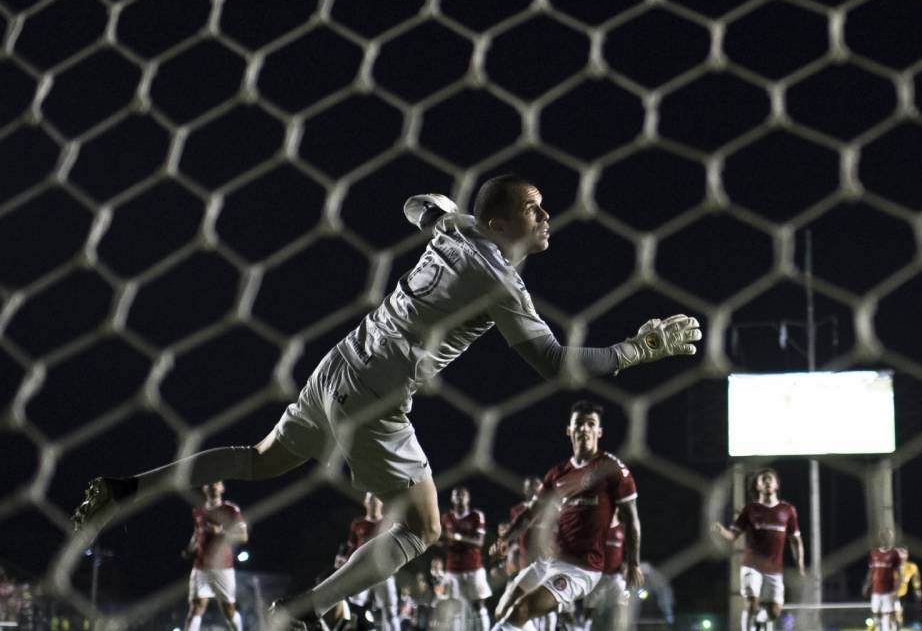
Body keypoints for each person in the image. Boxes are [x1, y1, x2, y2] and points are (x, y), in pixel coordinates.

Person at [69, 175, 703, 627]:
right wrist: (637, 351)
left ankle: (126, 487)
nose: (545, 216)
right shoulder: (501, 282)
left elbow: (415, 204)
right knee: (424, 528)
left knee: (262, 460)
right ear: (502, 222)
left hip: (342, 360)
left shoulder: (456, 234)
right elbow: (555, 365)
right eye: (534, 208)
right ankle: (299, 612)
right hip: (377, 394)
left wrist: (445, 213)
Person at [490, 401, 642, 631]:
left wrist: (633, 563)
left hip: (582, 569)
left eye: (591, 424)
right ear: (569, 430)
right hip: (548, 561)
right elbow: (530, 513)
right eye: (579, 424)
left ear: (599, 432)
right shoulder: (557, 474)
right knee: (503, 610)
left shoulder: (612, 469)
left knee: (522, 610)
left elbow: (631, 518)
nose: (584, 429)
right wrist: (506, 538)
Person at [711, 469, 805, 631]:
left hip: (774, 568)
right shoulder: (750, 509)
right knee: (752, 602)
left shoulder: (787, 510)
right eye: (763, 480)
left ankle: (760, 619)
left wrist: (800, 565)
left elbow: (796, 540)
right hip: (751, 565)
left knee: (775, 612)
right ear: (757, 486)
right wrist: (721, 530)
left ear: (776, 485)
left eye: (770, 479)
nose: (767, 482)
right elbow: (733, 535)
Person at [184, 482, 247, 631]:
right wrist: (190, 548)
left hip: (222, 566)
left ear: (222, 488)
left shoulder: (230, 510)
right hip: (200, 566)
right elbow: (197, 532)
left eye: (217, 483)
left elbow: (243, 536)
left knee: (228, 610)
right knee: (196, 608)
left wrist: (221, 532)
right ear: (204, 488)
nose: (213, 485)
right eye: (209, 483)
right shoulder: (198, 510)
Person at [337, 493, 402, 631]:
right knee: (355, 609)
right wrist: (344, 561)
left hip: (384, 571)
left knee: (390, 612)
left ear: (381, 502)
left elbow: (396, 548)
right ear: (365, 502)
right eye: (370, 499)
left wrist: (398, 563)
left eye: (375, 498)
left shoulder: (389, 523)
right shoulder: (358, 523)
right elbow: (352, 547)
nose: (373, 502)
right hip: (362, 571)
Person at [442, 486, 492, 631]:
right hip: (453, 569)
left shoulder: (476, 516)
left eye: (463, 494)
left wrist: (457, 538)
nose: (460, 497)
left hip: (473, 567)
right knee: (455, 609)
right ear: (452, 498)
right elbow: (443, 541)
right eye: (456, 495)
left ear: (468, 498)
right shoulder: (446, 518)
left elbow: (479, 542)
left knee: (479, 607)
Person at [581, 513, 629, 631]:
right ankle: (585, 626)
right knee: (590, 604)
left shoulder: (623, 528)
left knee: (621, 603)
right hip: (598, 574)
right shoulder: (599, 528)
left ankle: (620, 627)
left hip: (616, 575)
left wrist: (627, 565)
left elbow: (627, 550)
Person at [863, 528, 902, 631]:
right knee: (875, 613)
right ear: (881, 538)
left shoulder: (894, 553)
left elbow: (899, 574)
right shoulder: (874, 553)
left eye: (889, 537)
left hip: (888, 591)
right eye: (885, 537)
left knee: (886, 615)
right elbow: (871, 571)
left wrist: (896, 591)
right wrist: (867, 585)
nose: (887, 539)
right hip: (876, 590)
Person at [894, 548, 922, 630]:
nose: (902, 556)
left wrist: (917, 589)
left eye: (904, 553)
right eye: (900, 554)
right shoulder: (892, 566)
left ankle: (897, 628)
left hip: (902, 594)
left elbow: (916, 578)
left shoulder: (911, 567)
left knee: (899, 614)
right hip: (890, 594)